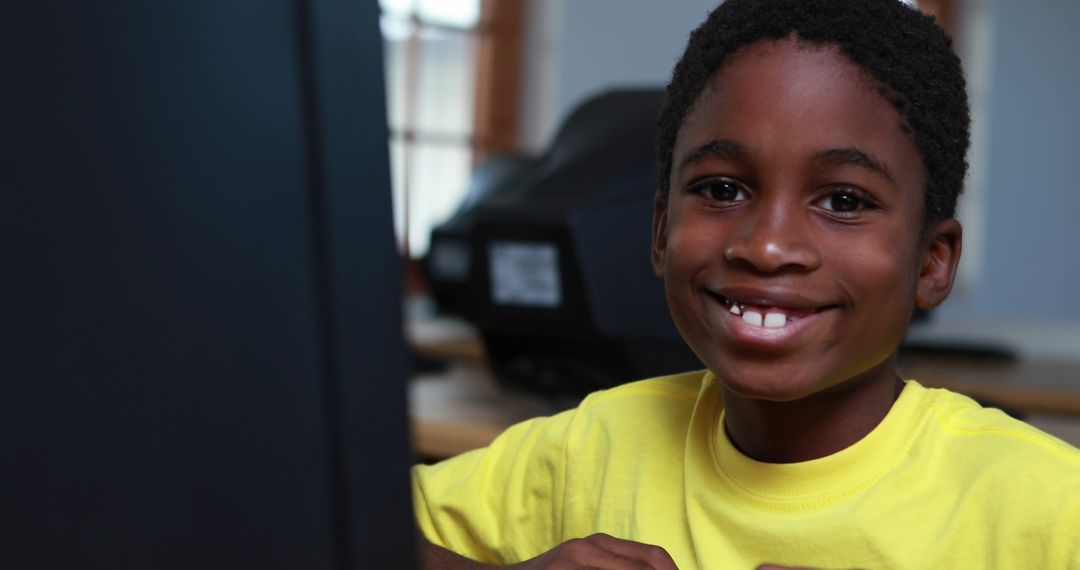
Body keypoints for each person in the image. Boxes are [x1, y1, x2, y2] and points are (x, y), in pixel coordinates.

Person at [412, 0, 1080, 568]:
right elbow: (323, 532)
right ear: (660, 231)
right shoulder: (587, 451)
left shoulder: (1043, 506)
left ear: (932, 262)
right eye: (722, 189)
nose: (766, 245)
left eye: (844, 201)